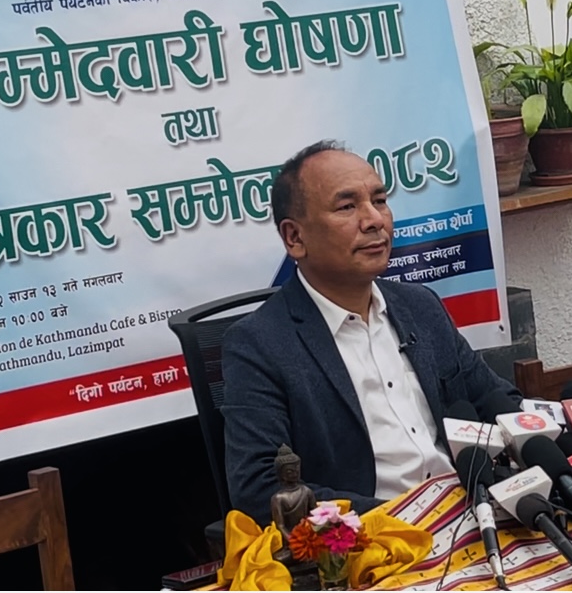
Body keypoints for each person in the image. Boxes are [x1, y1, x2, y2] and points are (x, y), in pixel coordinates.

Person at [222, 140, 520, 522]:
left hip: (476, 512)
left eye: (379, 200)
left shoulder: (420, 307)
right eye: (347, 207)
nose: (375, 220)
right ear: (294, 238)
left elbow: (496, 400)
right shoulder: (259, 344)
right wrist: (403, 519)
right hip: (374, 535)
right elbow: (260, 488)